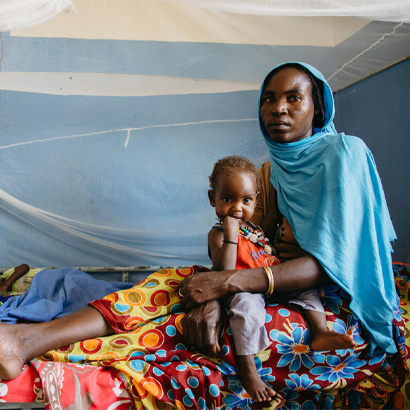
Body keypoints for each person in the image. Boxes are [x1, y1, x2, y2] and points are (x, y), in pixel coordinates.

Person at [0, 62, 399, 402]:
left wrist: (227, 286)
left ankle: (31, 344)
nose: (278, 108)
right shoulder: (270, 171)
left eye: (294, 97)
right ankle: (25, 340)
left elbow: (335, 264)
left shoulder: (344, 156)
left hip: (333, 305)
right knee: (165, 289)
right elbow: (248, 244)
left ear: (318, 107)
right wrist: (215, 293)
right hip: (267, 280)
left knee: (184, 329)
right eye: (268, 98)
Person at [207, 155, 356, 401]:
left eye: (246, 200)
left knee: (307, 290)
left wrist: (277, 194)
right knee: (247, 308)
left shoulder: (253, 229)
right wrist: (231, 236)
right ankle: (247, 368)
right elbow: (224, 271)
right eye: (227, 199)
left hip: (269, 283)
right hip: (241, 289)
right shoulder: (219, 233)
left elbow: (269, 221)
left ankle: (320, 331)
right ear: (212, 198)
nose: (237, 208)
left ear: (256, 201)